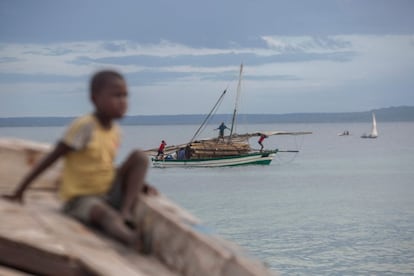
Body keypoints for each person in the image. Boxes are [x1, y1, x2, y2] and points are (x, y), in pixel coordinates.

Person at [2, 70, 157, 252]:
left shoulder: (115, 131)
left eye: (125, 96)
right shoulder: (85, 127)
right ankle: (131, 239)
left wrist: (137, 183)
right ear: (94, 98)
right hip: (80, 199)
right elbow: (52, 158)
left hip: (107, 190)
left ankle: (125, 212)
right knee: (106, 216)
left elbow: (104, 166)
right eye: (116, 96)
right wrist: (20, 191)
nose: (122, 102)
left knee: (140, 157)